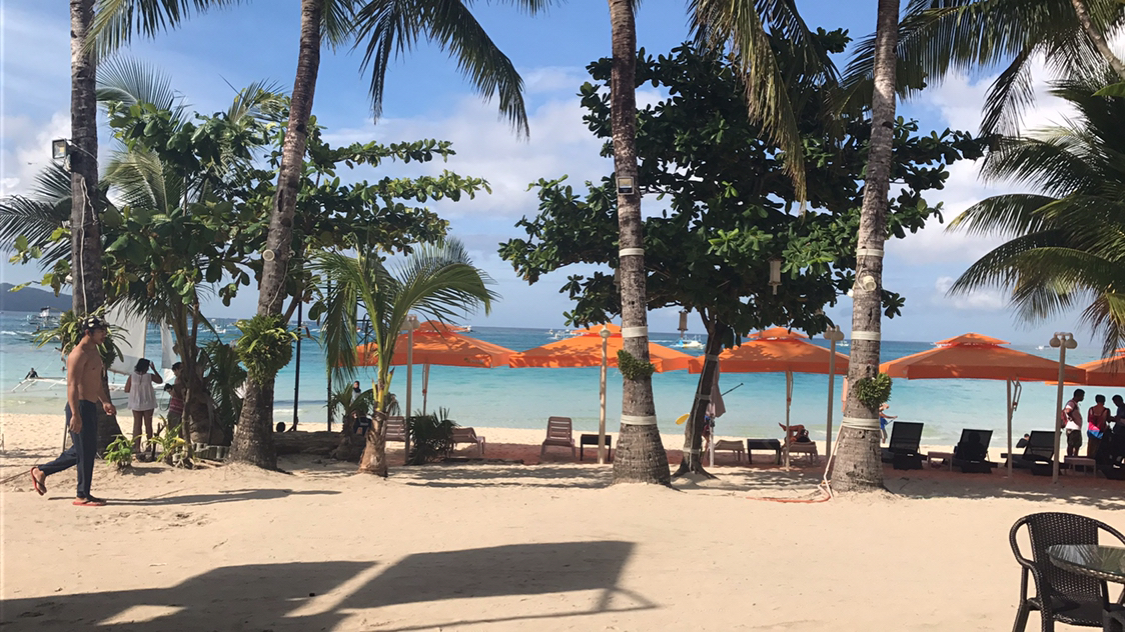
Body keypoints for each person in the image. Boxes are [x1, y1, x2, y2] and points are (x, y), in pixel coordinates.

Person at [29, 315, 117, 506]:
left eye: (104, 331)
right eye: (100, 331)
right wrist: (75, 414)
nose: (104, 334)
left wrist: (104, 401)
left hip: (90, 406)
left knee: (83, 450)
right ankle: (82, 495)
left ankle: (42, 471)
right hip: (79, 406)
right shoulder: (78, 354)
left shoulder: (95, 352)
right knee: (85, 452)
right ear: (88, 333)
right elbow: (72, 385)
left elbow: (95, 381)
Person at [124, 357, 163, 457]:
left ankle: (136, 446)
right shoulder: (149, 376)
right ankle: (149, 446)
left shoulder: (132, 376)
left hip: (135, 403)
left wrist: (136, 389)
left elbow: (126, 389)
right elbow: (160, 380)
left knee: (137, 425)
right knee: (148, 425)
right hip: (148, 402)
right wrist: (154, 370)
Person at [1061, 388, 1085, 457]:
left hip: (1075, 428)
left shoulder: (1074, 403)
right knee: (1072, 444)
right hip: (1073, 428)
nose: (1083, 398)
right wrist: (1071, 417)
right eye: (1082, 396)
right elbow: (1068, 410)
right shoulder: (1071, 403)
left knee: (1076, 444)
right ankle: (1071, 458)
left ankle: (1073, 457)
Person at [163, 362, 185, 430]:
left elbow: (176, 394)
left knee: (171, 429)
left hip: (176, 407)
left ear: (177, 370)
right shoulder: (188, 380)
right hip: (183, 408)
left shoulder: (178, 380)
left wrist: (169, 390)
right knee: (181, 430)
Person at [1087, 394, 1110, 458]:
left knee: (1091, 447)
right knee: (1099, 448)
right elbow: (1108, 419)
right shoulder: (1106, 410)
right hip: (1101, 430)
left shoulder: (1091, 409)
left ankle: (1090, 460)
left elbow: (1089, 420)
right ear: (1104, 401)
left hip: (1091, 430)